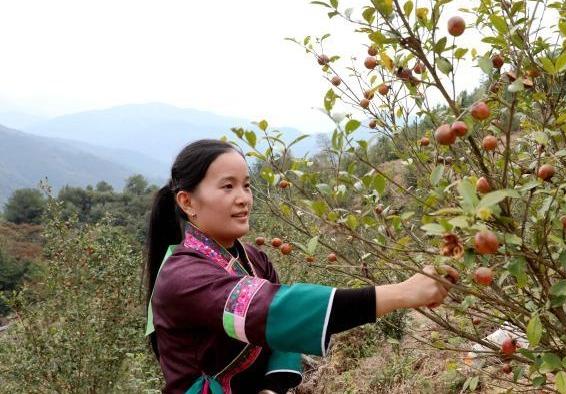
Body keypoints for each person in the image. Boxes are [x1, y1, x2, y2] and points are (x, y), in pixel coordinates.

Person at [145, 139, 459, 394]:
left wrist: (272, 388)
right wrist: (404, 292)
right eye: (228, 187)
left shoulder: (255, 258)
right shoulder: (182, 276)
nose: (243, 199)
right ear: (187, 202)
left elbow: (286, 334)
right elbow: (277, 313)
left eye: (247, 185)